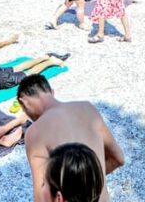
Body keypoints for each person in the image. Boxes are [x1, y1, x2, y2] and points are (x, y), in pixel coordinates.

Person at [17, 74, 124, 202]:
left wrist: (73, 189)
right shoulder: (88, 108)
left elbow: (41, 197)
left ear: (23, 103)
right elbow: (118, 159)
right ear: (52, 92)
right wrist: (88, 182)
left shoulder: (34, 132)